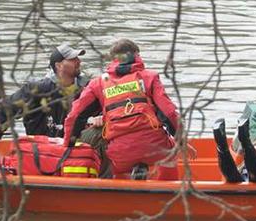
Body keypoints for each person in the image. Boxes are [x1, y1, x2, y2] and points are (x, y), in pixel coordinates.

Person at [62, 38, 179, 180]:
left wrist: (68, 145)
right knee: (172, 151)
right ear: (137, 56)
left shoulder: (98, 83)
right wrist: (181, 140)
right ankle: (170, 191)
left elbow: (74, 116)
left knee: (109, 150)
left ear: (113, 60)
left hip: (119, 155)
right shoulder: (149, 77)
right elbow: (169, 113)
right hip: (155, 149)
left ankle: (119, 185)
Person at [0, 42, 96, 155]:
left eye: (78, 58)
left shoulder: (87, 88)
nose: (78, 61)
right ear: (59, 66)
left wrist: (99, 118)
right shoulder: (37, 90)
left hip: (74, 148)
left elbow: (105, 108)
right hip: (43, 150)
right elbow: (5, 110)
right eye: (72, 59)